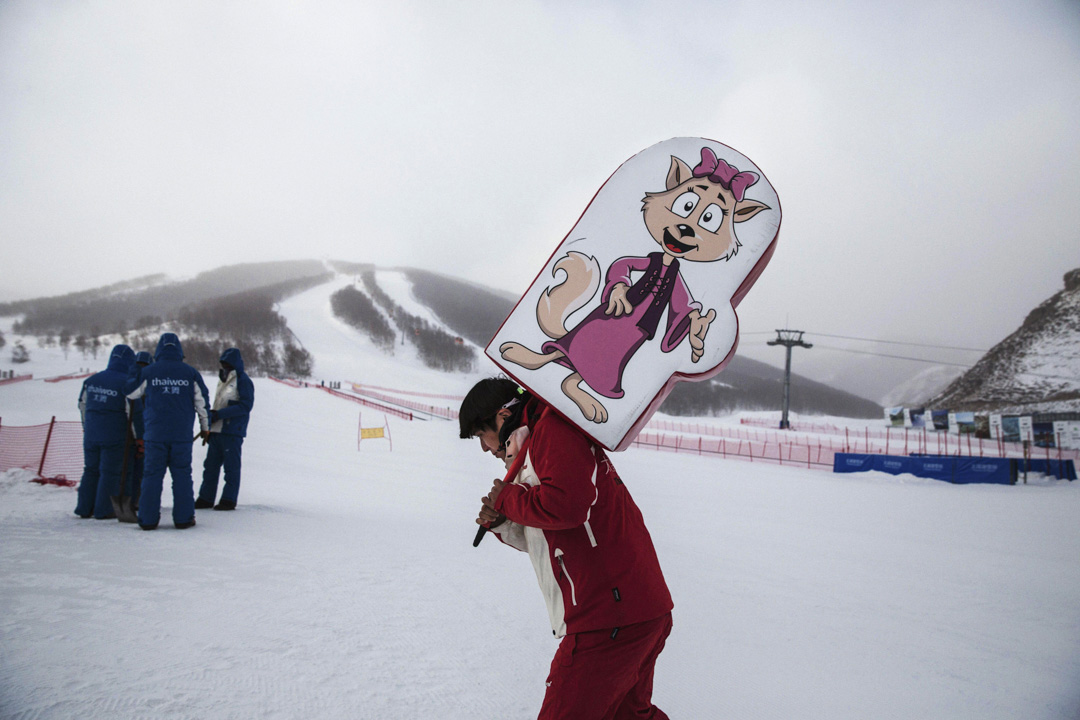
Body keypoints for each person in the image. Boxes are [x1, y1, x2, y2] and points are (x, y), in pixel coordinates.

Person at [460, 377, 673, 720]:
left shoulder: (553, 430)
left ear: (501, 416)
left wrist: (510, 498)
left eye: (479, 434)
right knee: (629, 715)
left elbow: (568, 507)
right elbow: (551, 537)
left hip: (607, 615)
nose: (484, 448)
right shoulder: (536, 444)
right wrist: (504, 521)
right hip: (631, 609)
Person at [125, 333, 210, 530]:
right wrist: (205, 428)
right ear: (179, 351)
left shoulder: (150, 372)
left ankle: (147, 519)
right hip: (181, 436)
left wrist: (136, 368)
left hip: (155, 435)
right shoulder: (191, 373)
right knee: (181, 475)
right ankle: (183, 518)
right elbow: (202, 403)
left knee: (152, 475)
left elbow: (130, 392)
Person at [75, 344, 136, 519]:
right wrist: (137, 437)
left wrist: (87, 427)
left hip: (92, 434)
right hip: (115, 435)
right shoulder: (127, 383)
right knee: (110, 472)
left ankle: (84, 507)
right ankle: (104, 509)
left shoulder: (91, 381)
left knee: (91, 470)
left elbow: (82, 405)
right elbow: (130, 412)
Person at [196, 347, 254, 511]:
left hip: (232, 432)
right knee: (210, 467)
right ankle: (206, 498)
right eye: (223, 364)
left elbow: (245, 406)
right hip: (217, 430)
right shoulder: (222, 379)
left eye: (228, 364)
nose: (225, 367)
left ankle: (228, 499)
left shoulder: (243, 381)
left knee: (231, 468)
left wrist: (219, 414)